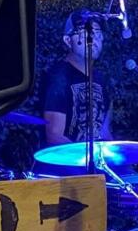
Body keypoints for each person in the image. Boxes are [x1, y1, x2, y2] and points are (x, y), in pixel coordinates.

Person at [42, 9, 112, 146]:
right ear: (68, 41)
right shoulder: (59, 78)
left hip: (96, 157)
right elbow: (54, 137)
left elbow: (105, 133)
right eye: (84, 33)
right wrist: (85, 158)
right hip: (66, 159)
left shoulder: (101, 79)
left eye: (97, 33)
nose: (93, 38)